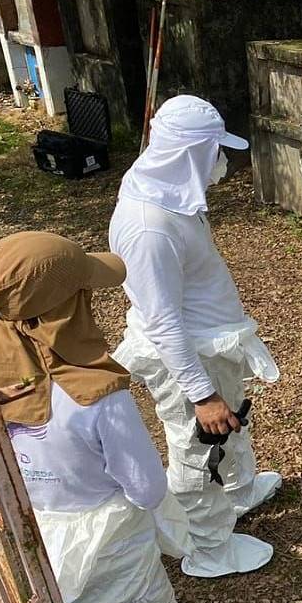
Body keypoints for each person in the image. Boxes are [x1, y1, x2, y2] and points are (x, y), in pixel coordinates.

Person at [109, 95, 281, 578]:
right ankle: (209, 548)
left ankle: (240, 490)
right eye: (215, 151)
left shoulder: (168, 191)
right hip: (188, 360)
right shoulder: (150, 228)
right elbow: (163, 323)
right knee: (197, 446)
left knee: (234, 419)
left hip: (213, 345)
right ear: (191, 154)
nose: (222, 162)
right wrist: (202, 395)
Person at [0, 232, 189, 603]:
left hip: (31, 541)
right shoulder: (100, 394)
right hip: (115, 552)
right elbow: (147, 489)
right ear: (68, 311)